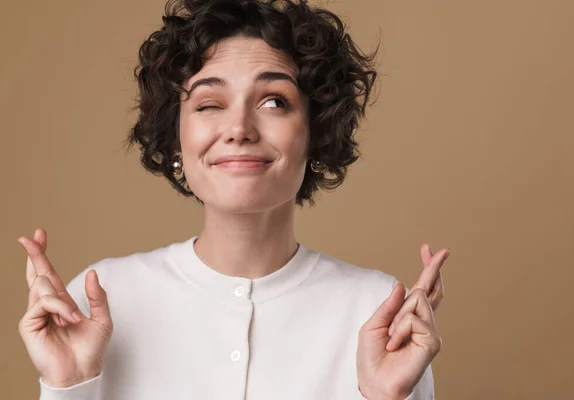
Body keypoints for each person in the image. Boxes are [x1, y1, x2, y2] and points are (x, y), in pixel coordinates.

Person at [17, 0, 450, 399]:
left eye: (274, 101)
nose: (239, 127)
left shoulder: (377, 310)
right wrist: (69, 386)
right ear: (174, 142)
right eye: (209, 104)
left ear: (317, 134)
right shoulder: (102, 298)